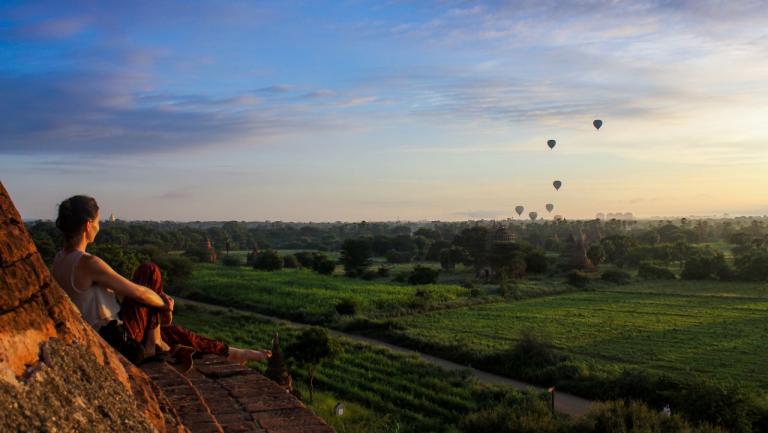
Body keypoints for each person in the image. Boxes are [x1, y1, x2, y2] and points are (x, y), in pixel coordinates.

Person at [51, 195, 271, 365]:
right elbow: (138, 293)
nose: (99, 227)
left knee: (175, 333)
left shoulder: (59, 259)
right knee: (149, 271)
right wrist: (164, 304)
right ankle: (153, 342)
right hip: (114, 337)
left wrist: (156, 306)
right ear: (88, 225)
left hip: (107, 331)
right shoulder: (88, 262)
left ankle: (233, 353)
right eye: (98, 222)